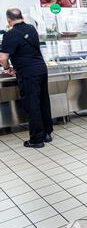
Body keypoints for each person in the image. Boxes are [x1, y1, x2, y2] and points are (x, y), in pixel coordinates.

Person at [0, 8, 53, 148]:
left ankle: (36, 140)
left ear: (9, 20)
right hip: (41, 69)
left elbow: (2, 59)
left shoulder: (10, 34)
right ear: (22, 17)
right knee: (43, 101)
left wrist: (7, 68)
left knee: (32, 104)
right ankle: (47, 133)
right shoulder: (31, 28)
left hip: (28, 73)